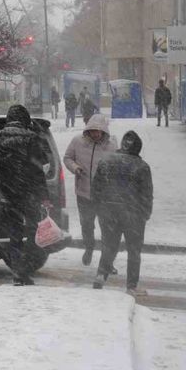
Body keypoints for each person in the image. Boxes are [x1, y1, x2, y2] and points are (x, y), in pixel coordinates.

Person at [0, 104, 49, 286]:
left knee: (15, 233)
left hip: (7, 195)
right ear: (24, 119)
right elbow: (40, 169)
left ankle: (17, 271)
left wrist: (1, 187)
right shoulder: (31, 138)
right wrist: (44, 195)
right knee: (32, 233)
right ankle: (25, 269)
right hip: (29, 194)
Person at [91, 131, 153, 295]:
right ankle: (131, 286)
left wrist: (98, 208)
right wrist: (145, 213)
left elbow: (95, 188)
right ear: (138, 149)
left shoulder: (105, 161)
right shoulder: (142, 167)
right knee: (134, 251)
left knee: (109, 246)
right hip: (133, 214)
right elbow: (146, 194)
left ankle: (100, 276)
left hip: (108, 212)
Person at [63, 114, 118, 267]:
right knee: (87, 225)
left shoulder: (112, 146)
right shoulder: (77, 142)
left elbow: (118, 167)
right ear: (88, 130)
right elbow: (67, 158)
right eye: (92, 131)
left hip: (104, 196)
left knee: (107, 229)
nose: (95, 134)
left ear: (104, 131)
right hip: (83, 192)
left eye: (98, 131)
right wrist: (75, 168)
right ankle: (89, 247)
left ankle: (107, 262)